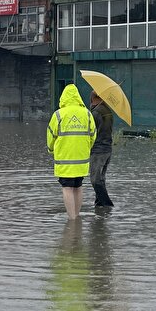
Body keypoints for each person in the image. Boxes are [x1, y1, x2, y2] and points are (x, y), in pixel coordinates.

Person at [47, 84, 96, 220]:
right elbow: (93, 135)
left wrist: (51, 150)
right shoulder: (87, 113)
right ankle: (77, 216)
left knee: (67, 187)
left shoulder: (58, 115)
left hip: (65, 159)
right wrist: (86, 148)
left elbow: (51, 136)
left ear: (63, 98)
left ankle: (72, 219)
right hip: (82, 159)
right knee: (78, 186)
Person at [88, 92, 115, 215]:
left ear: (94, 98)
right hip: (107, 148)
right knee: (101, 178)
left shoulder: (95, 113)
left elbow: (90, 132)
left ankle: (107, 204)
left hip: (98, 149)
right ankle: (99, 206)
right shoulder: (107, 111)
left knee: (95, 179)